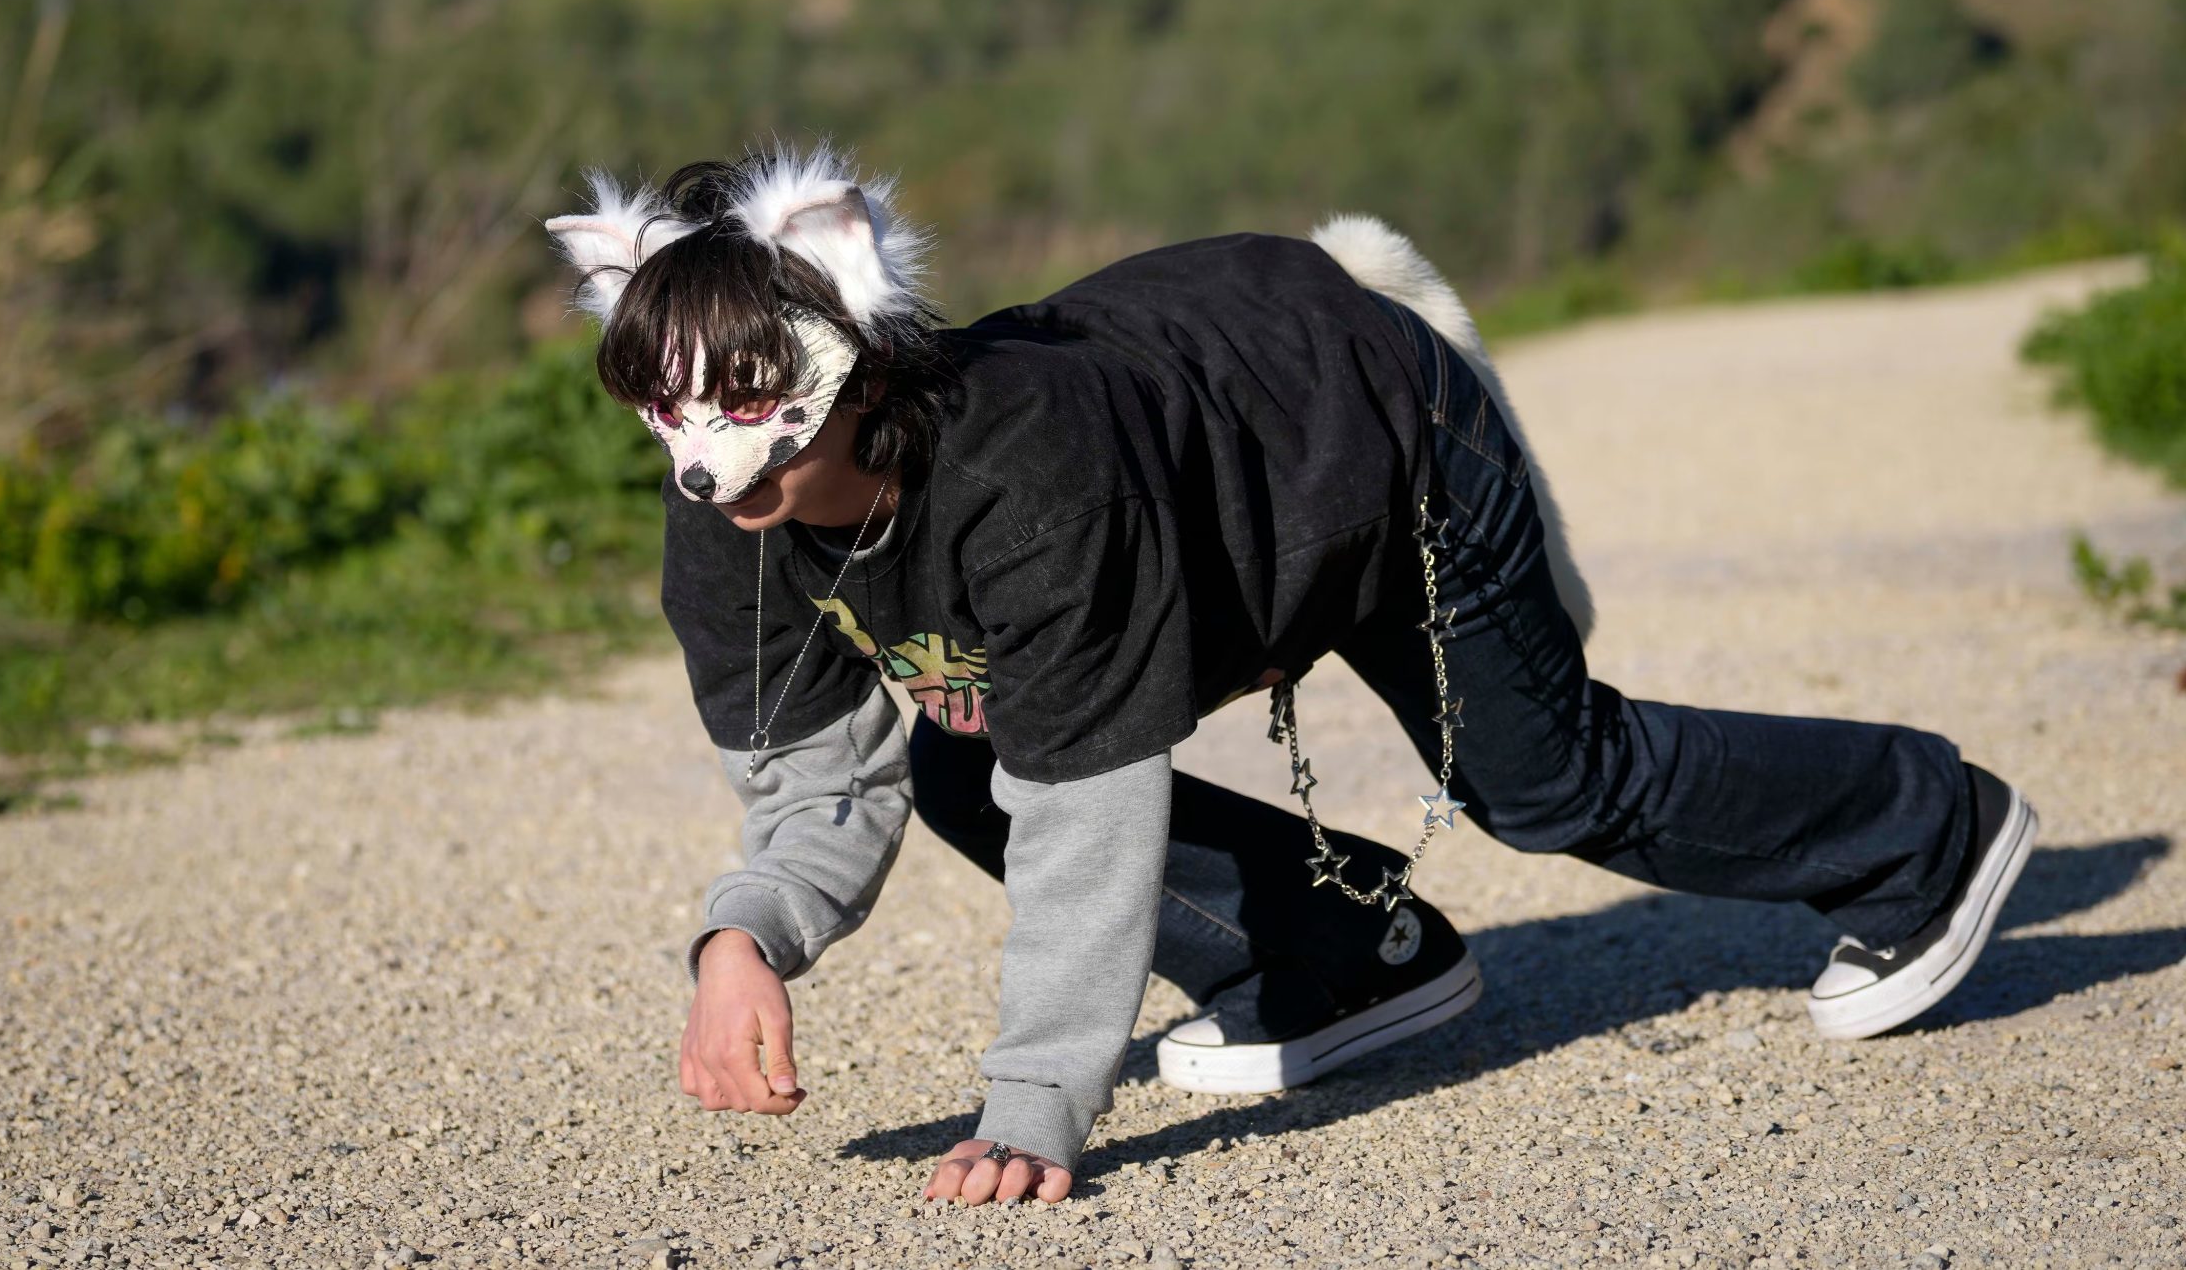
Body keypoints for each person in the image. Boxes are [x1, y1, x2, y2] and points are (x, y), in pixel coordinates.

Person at [543, 145, 2040, 1208]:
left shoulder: (1027, 472)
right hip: (1217, 529)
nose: (706, 452)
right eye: (665, 409)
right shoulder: (730, 522)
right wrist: (742, 939)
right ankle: (1349, 959)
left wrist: (1036, 1104)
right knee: (955, 750)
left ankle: (1929, 825)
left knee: (1548, 784)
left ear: (854, 359)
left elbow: (1086, 802)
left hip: (1371, 446)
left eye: (748, 402)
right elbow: (815, 776)